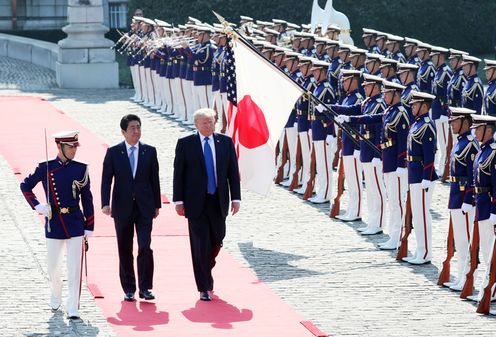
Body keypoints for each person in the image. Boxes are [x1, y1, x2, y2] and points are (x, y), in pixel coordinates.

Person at [20, 131, 94, 320]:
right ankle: (56, 292)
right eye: (70, 147)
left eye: (75, 147)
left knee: (74, 267)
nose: (74, 150)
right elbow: (25, 186)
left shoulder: (81, 169)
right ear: (60, 146)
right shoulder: (46, 167)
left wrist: (89, 225)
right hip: (54, 222)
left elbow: (87, 198)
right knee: (53, 266)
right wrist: (38, 205)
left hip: (75, 222)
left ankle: (73, 307)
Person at [173, 108, 241, 301]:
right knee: (200, 244)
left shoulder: (225, 143)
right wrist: (178, 201)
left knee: (218, 238)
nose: (209, 125)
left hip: (218, 200)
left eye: (212, 122)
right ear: (197, 124)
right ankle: (204, 285)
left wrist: (236, 198)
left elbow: (232, 174)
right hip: (195, 202)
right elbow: (179, 174)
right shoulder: (186, 144)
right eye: (205, 123)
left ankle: (206, 265)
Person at [101, 114, 161, 302]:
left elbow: (154, 180)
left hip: (144, 207)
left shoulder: (150, 151)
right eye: (133, 128)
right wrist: (105, 203)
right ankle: (129, 288)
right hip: (122, 207)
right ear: (123, 132)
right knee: (124, 248)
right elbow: (106, 179)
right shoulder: (113, 152)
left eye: (138, 127)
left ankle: (145, 287)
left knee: (145, 246)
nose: (136, 131)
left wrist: (156, 204)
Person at [442, 107, 478, 291]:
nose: (452, 124)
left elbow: (473, 175)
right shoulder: (461, 141)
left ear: (465, 121)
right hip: (456, 193)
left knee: (466, 239)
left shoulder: (470, 144)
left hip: (465, 196)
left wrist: (469, 198)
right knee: (460, 239)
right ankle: (461, 275)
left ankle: (468, 277)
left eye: (455, 121)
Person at [402, 91, 438, 265]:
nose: (412, 107)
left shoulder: (426, 125)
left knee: (422, 215)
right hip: (414, 173)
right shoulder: (417, 123)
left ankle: (425, 253)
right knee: (417, 215)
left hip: (422, 176)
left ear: (424, 106)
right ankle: (420, 250)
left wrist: (426, 177)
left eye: (415, 104)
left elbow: (430, 155)